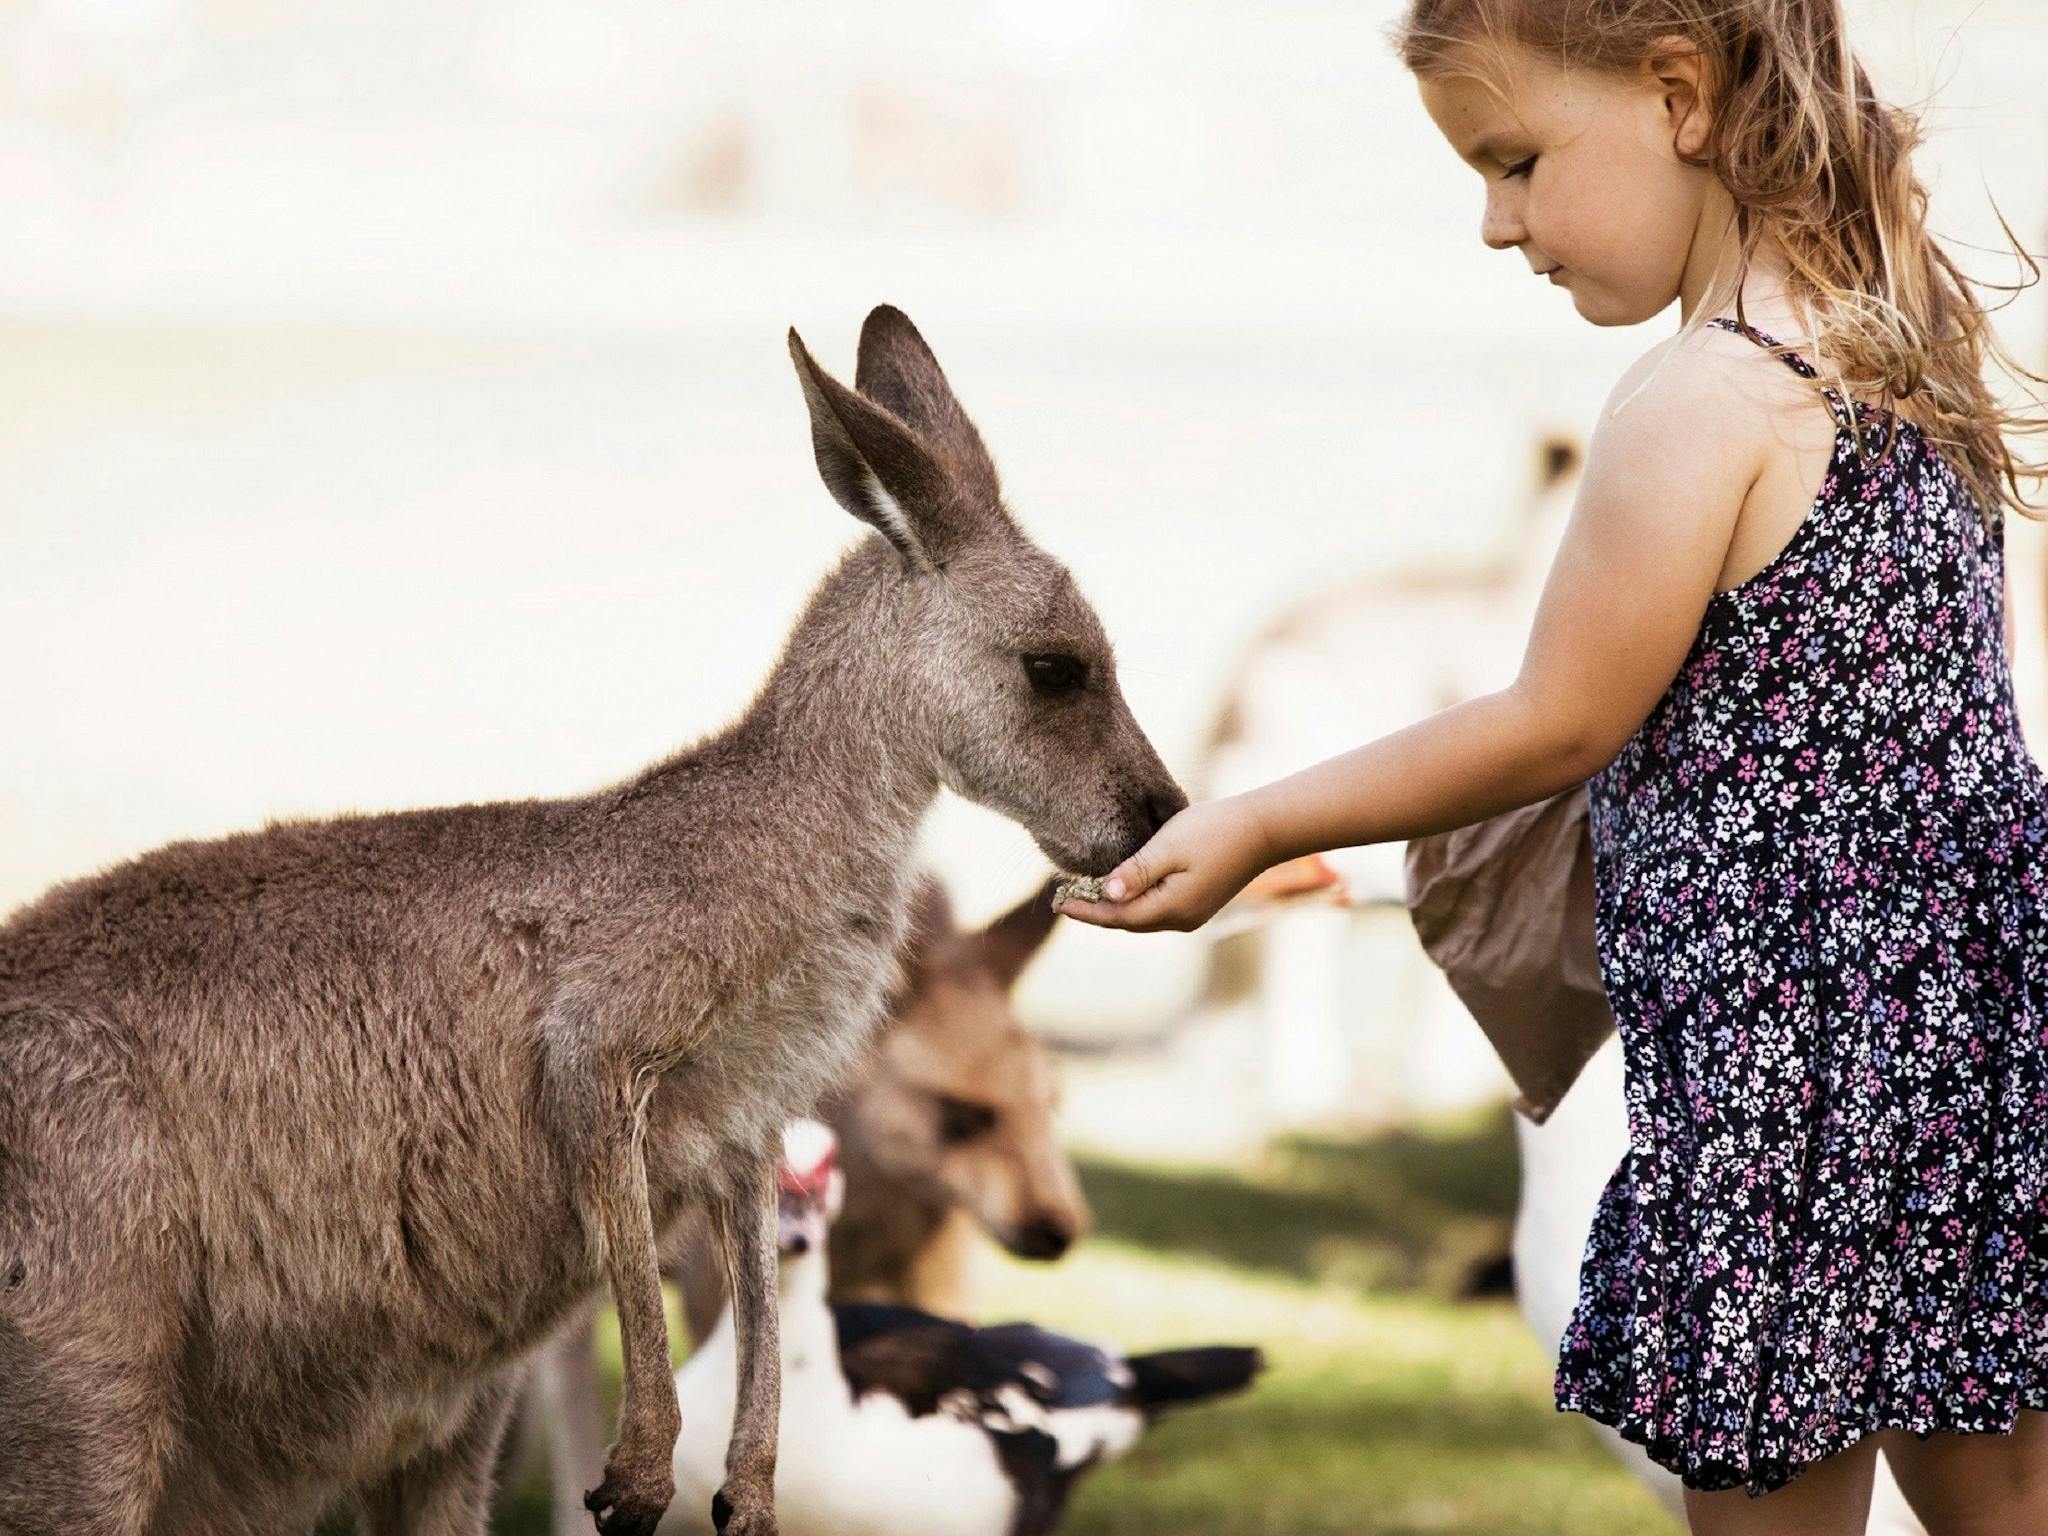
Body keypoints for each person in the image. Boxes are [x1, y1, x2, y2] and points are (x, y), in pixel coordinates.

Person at [1053, 3, 2048, 1531]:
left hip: (1785, 1087)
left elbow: (1554, 720)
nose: (1495, 224)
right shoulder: (1901, 344)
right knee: (1996, 1499)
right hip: (1970, 1041)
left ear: (1679, 95)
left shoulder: (1700, 399)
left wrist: (1254, 818)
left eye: (1516, 162)